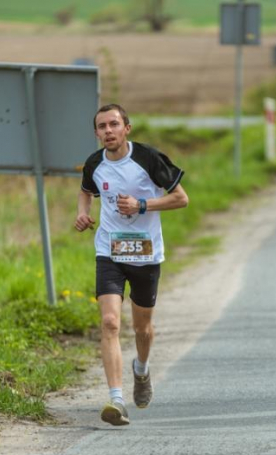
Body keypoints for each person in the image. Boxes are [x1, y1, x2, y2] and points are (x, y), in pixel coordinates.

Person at [75, 103, 189, 426]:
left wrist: (142, 204)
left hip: (145, 254)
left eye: (114, 124)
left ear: (127, 127)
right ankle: (116, 401)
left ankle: (141, 369)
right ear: (96, 133)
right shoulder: (94, 164)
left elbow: (181, 198)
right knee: (110, 322)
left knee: (142, 328)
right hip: (109, 252)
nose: (108, 131)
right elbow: (85, 191)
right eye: (102, 127)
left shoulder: (149, 159)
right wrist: (82, 213)